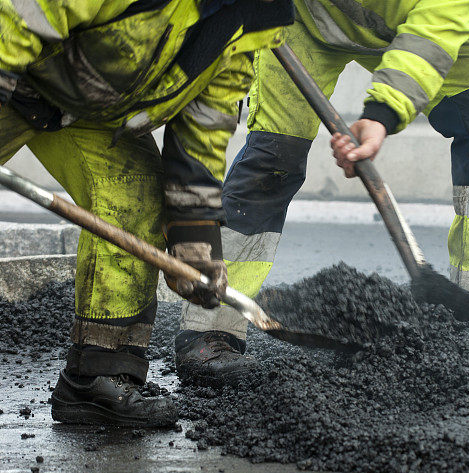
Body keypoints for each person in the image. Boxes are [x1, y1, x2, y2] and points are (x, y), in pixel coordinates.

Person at [177, 0, 469, 386]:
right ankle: (210, 327)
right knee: (274, 156)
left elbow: (439, 23)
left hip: (407, 25)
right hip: (299, 17)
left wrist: (383, 112)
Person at [0, 0, 293, 426]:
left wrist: (195, 242)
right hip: (14, 71)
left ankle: (97, 375)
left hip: (83, 107)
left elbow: (204, 126)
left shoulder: (255, 17)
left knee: (135, 199)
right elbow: (22, 12)